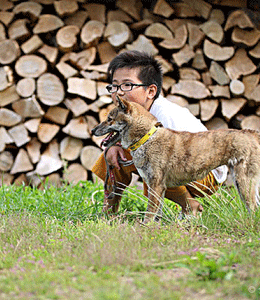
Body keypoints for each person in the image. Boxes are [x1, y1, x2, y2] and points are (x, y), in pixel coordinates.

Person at [91, 50, 228, 217]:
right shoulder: (130, 115)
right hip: (180, 165)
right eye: (114, 85)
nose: (119, 92)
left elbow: (176, 155)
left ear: (151, 91)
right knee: (113, 154)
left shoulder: (164, 115)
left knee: (151, 158)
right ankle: (109, 213)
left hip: (206, 172)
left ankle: (189, 206)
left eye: (127, 85)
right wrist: (114, 146)